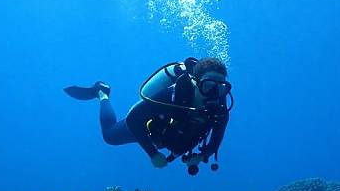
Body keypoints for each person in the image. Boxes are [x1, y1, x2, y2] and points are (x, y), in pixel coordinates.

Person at [64, 57, 233, 175]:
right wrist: (152, 153)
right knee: (110, 136)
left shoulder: (219, 107)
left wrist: (202, 156)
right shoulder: (173, 96)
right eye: (208, 84)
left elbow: (216, 140)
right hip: (151, 125)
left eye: (220, 87)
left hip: (174, 137)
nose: (213, 92)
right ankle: (102, 93)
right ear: (195, 81)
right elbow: (133, 118)